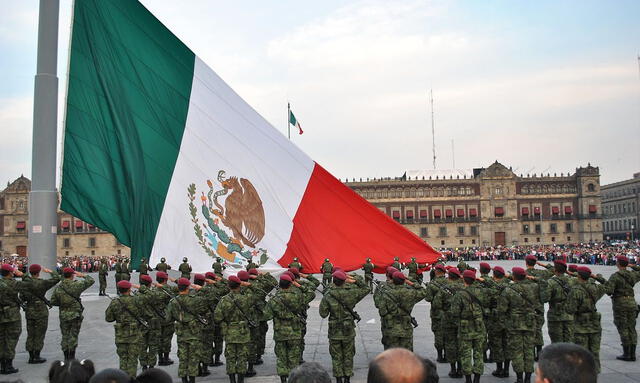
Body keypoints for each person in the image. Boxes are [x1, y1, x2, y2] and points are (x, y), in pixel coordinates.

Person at [319, 270, 369, 383]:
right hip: (348, 330)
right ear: (344, 281)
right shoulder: (352, 292)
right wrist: (354, 279)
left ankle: (338, 379)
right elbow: (367, 289)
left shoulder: (328, 295)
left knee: (336, 355)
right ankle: (347, 378)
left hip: (334, 330)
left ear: (333, 281)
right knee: (348, 354)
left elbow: (323, 314)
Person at [264, 273, 313, 382]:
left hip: (280, 333)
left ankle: (283, 380)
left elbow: (266, 316)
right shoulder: (298, 296)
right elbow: (311, 293)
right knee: (294, 358)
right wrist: (299, 285)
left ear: (280, 285)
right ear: (290, 284)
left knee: (281, 358)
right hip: (294, 332)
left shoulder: (274, 300)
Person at [498, 267, 542, 383]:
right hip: (530, 322)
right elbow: (544, 285)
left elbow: (502, 309)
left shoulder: (508, 290)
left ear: (514, 276)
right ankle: (528, 378)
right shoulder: (534, 287)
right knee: (528, 351)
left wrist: (504, 322)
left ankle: (519, 378)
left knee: (517, 351)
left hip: (514, 325)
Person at [568, 266, 611, 372]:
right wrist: (597, 277)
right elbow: (608, 286)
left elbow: (570, 309)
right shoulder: (596, 288)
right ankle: (594, 373)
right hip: (594, 322)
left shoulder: (575, 290)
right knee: (594, 351)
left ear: (578, 276)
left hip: (580, 323)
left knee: (581, 351)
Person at [167, 277, 208, 383]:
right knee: (193, 357)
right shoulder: (196, 300)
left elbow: (168, 318)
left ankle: (184, 380)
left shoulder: (173, 302)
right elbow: (204, 309)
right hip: (194, 333)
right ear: (188, 287)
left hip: (181, 333)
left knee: (183, 357)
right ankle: (192, 380)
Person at [214, 274, 253, 383]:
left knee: (230, 358)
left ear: (229, 286)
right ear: (239, 285)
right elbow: (257, 293)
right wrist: (247, 284)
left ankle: (232, 381)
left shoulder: (224, 300)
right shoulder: (246, 299)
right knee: (242, 357)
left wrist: (224, 326)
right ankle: (240, 380)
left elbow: (217, 317)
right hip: (243, 332)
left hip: (230, 332)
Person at [451, 269, 488, 383]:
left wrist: (460, 323)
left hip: (465, 328)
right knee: (479, 354)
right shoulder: (482, 291)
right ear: (474, 279)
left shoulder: (459, 294)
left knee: (465, 354)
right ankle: (477, 379)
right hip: (479, 326)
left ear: (463, 279)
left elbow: (454, 313)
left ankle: (468, 380)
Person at [51, 267, 95, 360]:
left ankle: (66, 356)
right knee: (73, 335)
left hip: (63, 314)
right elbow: (91, 280)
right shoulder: (77, 285)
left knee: (65, 335)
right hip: (75, 314)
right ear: (72, 275)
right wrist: (83, 275)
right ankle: (72, 356)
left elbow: (53, 301)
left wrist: (63, 303)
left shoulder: (59, 287)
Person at [377, 271, 428, 351]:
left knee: (391, 356)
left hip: (390, 328)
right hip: (405, 328)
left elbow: (382, 311)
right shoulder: (410, 293)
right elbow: (424, 291)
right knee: (406, 355)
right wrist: (410, 280)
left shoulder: (385, 293)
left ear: (393, 280)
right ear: (404, 281)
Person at [21, 264, 60, 364]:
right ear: (38, 272)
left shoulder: (24, 283)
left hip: (29, 310)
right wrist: (50, 272)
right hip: (40, 311)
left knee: (31, 334)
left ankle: (31, 356)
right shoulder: (42, 283)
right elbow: (57, 278)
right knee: (39, 334)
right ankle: (37, 356)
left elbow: (22, 297)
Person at [105, 280, 145, 376]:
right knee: (132, 359)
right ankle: (131, 379)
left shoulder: (115, 302)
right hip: (134, 335)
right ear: (129, 289)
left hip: (121, 335)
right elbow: (144, 314)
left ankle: (122, 379)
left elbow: (109, 318)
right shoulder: (136, 300)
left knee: (123, 359)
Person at [606, 255, 640, 361]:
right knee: (631, 327)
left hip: (620, 303)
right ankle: (633, 353)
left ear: (618, 264)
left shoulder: (615, 276)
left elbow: (609, 291)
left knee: (623, 327)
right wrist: (632, 266)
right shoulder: (632, 275)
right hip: (631, 302)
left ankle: (626, 354)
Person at [0, 263, 26, 374]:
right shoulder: (14, 284)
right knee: (11, 339)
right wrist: (23, 275)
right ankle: (8, 365)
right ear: (11, 273)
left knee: (1, 340)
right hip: (12, 316)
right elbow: (31, 283)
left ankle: (2, 365)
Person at [524, 255, 551, 360]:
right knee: (538, 328)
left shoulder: (523, 274)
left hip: (527, 306)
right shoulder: (541, 273)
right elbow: (553, 270)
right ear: (535, 263)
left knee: (529, 329)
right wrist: (542, 264)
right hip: (539, 305)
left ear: (526, 262)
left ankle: (530, 352)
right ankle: (539, 352)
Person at [487, 266, 511, 378]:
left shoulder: (491, 288)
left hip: (495, 320)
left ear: (494, 275)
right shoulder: (510, 287)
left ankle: (499, 369)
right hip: (508, 319)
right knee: (507, 344)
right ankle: (506, 370)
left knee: (497, 345)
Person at [440, 267, 464, 378]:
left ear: (449, 276)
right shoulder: (464, 288)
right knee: (461, 344)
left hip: (448, 321)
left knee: (450, 344)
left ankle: (453, 369)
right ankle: (460, 368)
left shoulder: (444, 289)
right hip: (461, 320)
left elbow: (436, 305)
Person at [137, 274, 164, 370]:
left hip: (141, 323)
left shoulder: (136, 295)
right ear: (149, 284)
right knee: (153, 345)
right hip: (154, 323)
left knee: (142, 345)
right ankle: (152, 365)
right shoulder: (154, 294)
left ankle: (144, 365)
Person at [546, 260, 575, 343]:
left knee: (556, 342)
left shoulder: (551, 282)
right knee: (568, 341)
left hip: (555, 315)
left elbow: (546, 298)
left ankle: (559, 356)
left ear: (555, 270)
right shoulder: (572, 280)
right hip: (569, 314)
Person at [424, 264, 447, 362]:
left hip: (437, 312)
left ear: (436, 272)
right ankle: (447, 354)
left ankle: (440, 355)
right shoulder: (449, 282)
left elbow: (428, 298)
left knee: (438, 333)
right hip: (449, 312)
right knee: (449, 334)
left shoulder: (432, 284)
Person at [154, 271, 177, 366]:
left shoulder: (153, 291)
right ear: (165, 280)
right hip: (167, 319)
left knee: (159, 338)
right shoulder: (168, 290)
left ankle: (160, 358)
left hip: (157, 319)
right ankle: (166, 358)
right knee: (167, 339)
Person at [373, 266, 398, 350]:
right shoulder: (404, 286)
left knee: (387, 339)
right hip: (402, 320)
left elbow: (377, 303)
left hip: (387, 319)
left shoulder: (381, 286)